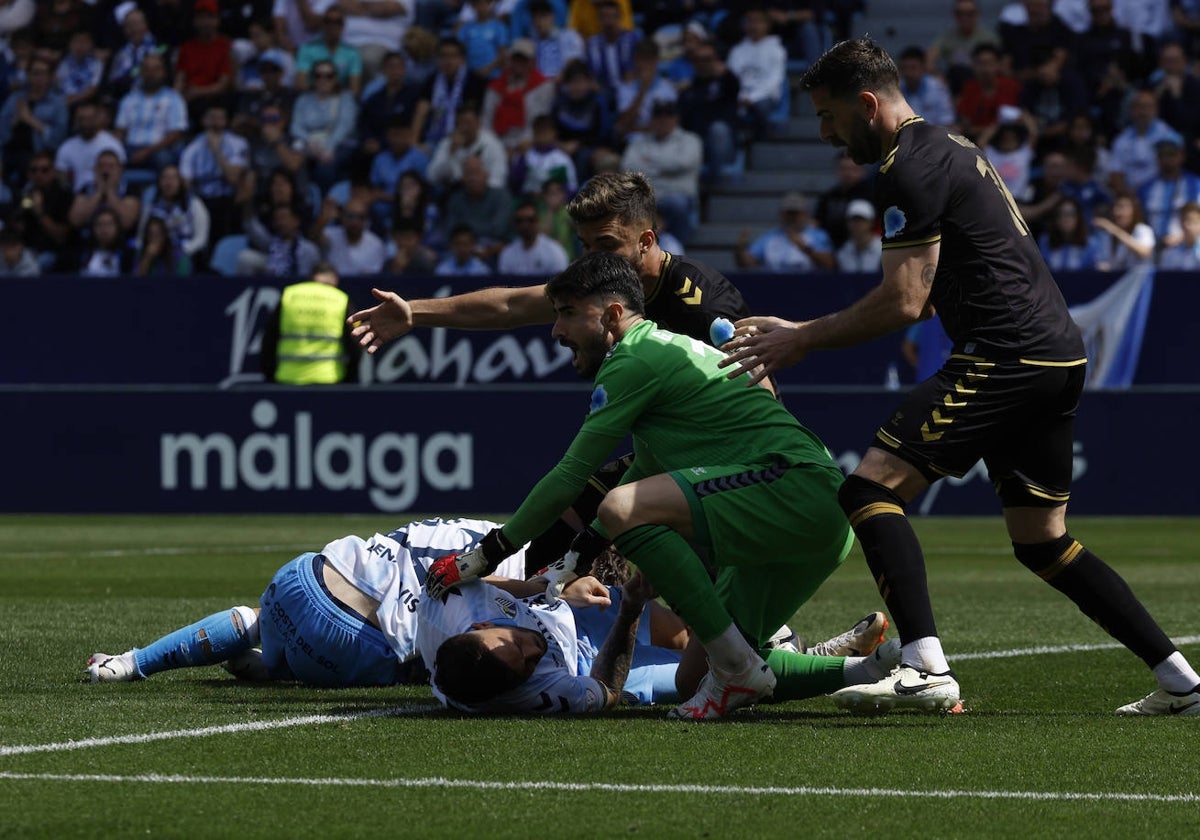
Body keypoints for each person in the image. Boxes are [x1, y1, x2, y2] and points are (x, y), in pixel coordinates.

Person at [718, 37, 1200, 716]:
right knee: (1042, 540)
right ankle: (1182, 682)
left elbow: (905, 300)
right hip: (1056, 354)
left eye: (829, 117)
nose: (826, 135)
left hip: (1009, 352)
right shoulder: (952, 146)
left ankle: (925, 667)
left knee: (868, 489)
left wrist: (801, 338)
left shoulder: (904, 166)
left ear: (865, 103)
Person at [420, 252, 896, 719]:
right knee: (693, 679)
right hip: (809, 512)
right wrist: (581, 553)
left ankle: (737, 663)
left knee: (619, 508)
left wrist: (485, 554)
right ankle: (873, 669)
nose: (556, 331)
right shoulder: (659, 352)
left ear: (611, 314)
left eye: (566, 314)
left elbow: (570, 474)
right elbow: (644, 467)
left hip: (793, 491)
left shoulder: (633, 360)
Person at [347, 170, 760, 365]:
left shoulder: (700, 299)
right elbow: (509, 306)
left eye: (607, 245)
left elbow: (761, 395)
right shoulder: (598, 287)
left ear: (646, 241)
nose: (593, 259)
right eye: (585, 246)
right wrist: (414, 313)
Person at [260, 262, 361, 384]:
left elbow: (269, 339)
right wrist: (349, 378)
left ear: (311, 278)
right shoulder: (341, 299)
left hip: (288, 378)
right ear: (335, 280)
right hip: (328, 379)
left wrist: (270, 375)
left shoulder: (289, 295)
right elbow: (356, 344)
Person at [619, 100, 702, 245]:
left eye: (668, 116)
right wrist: (666, 168)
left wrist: (648, 162)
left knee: (677, 203)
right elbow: (628, 166)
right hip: (645, 199)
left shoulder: (690, 140)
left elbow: (683, 163)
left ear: (676, 119)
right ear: (652, 120)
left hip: (675, 197)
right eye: (658, 116)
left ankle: (678, 247)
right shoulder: (639, 141)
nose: (663, 120)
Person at [114, 53, 189, 173]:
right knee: (109, 158)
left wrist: (147, 151)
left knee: (164, 159)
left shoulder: (174, 99)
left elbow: (175, 133)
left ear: (164, 72)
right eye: (147, 69)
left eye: (156, 69)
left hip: (159, 149)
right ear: (141, 72)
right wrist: (115, 149)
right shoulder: (129, 99)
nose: (151, 74)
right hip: (131, 147)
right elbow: (120, 130)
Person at [735, 191, 835, 273]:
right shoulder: (769, 237)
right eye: (788, 213)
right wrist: (740, 249)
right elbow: (747, 263)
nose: (791, 218)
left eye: (795, 213)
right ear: (781, 214)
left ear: (805, 214)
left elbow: (829, 264)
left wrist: (805, 248)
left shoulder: (818, 235)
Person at [53, 101, 126, 194]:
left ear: (98, 118)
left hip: (109, 194)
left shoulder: (113, 144)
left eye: (90, 119)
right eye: (82, 119)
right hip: (78, 197)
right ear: (76, 121)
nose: (86, 123)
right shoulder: (66, 147)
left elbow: (119, 173)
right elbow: (62, 178)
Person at [296, 5, 364, 97]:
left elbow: (354, 89)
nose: (333, 26)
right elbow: (301, 84)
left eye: (337, 22)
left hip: (340, 99)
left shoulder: (352, 53)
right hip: (313, 97)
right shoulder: (307, 49)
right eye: (328, 21)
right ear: (323, 24)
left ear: (343, 26)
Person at [314, 195, 387, 274]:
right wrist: (324, 218)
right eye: (350, 216)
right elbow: (313, 238)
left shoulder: (376, 244)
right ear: (342, 217)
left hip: (363, 285)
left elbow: (373, 277)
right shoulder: (330, 235)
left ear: (367, 220)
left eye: (360, 217)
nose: (355, 222)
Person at [497, 198, 570, 275]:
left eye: (530, 220)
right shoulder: (508, 253)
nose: (525, 225)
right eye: (519, 221)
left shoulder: (554, 251)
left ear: (538, 221)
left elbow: (560, 284)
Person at [1092, 189, 1156, 270]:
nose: (1118, 212)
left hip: (1140, 280)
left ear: (1134, 210)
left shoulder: (1142, 230)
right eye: (1115, 207)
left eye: (1122, 207)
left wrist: (1114, 230)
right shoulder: (1107, 235)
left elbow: (1145, 252)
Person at [1037, 196, 1100, 270]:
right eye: (1061, 214)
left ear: (1078, 218)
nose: (1065, 219)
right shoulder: (1045, 241)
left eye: (1070, 214)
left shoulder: (1091, 243)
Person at [835, 199, 882, 273]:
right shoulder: (843, 252)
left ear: (871, 223)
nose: (856, 224)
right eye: (853, 220)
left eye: (861, 220)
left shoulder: (884, 250)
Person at [1158, 199, 1200, 269]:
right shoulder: (1169, 254)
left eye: (1194, 222)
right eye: (1185, 220)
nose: (1188, 226)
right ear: (1180, 223)